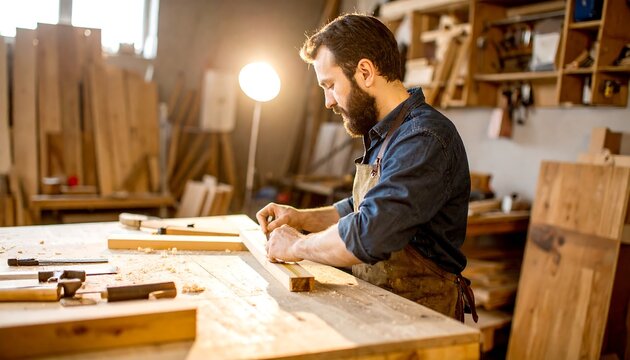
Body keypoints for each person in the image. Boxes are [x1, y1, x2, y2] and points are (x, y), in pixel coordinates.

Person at [257, 14, 476, 322]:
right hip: (384, 306)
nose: (328, 101)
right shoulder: (388, 131)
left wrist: (297, 246)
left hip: (424, 320)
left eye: (330, 85)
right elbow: (361, 207)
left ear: (365, 71)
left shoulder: (423, 137)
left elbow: (370, 231)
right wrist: (302, 217)